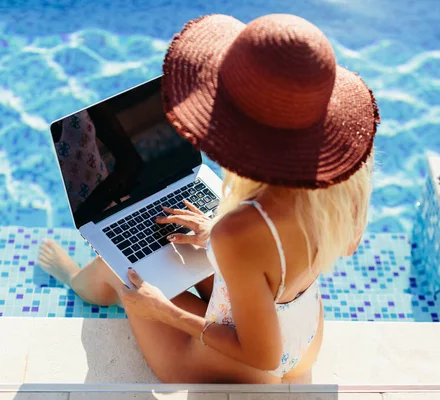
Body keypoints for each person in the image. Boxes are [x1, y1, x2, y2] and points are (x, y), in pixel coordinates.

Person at [37, 13, 379, 383]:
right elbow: (322, 246)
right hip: (305, 333)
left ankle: (76, 279)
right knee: (179, 254)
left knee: (118, 269)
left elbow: (261, 356)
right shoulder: (345, 182)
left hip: (248, 364)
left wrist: (161, 311)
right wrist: (219, 237)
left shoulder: (241, 231)